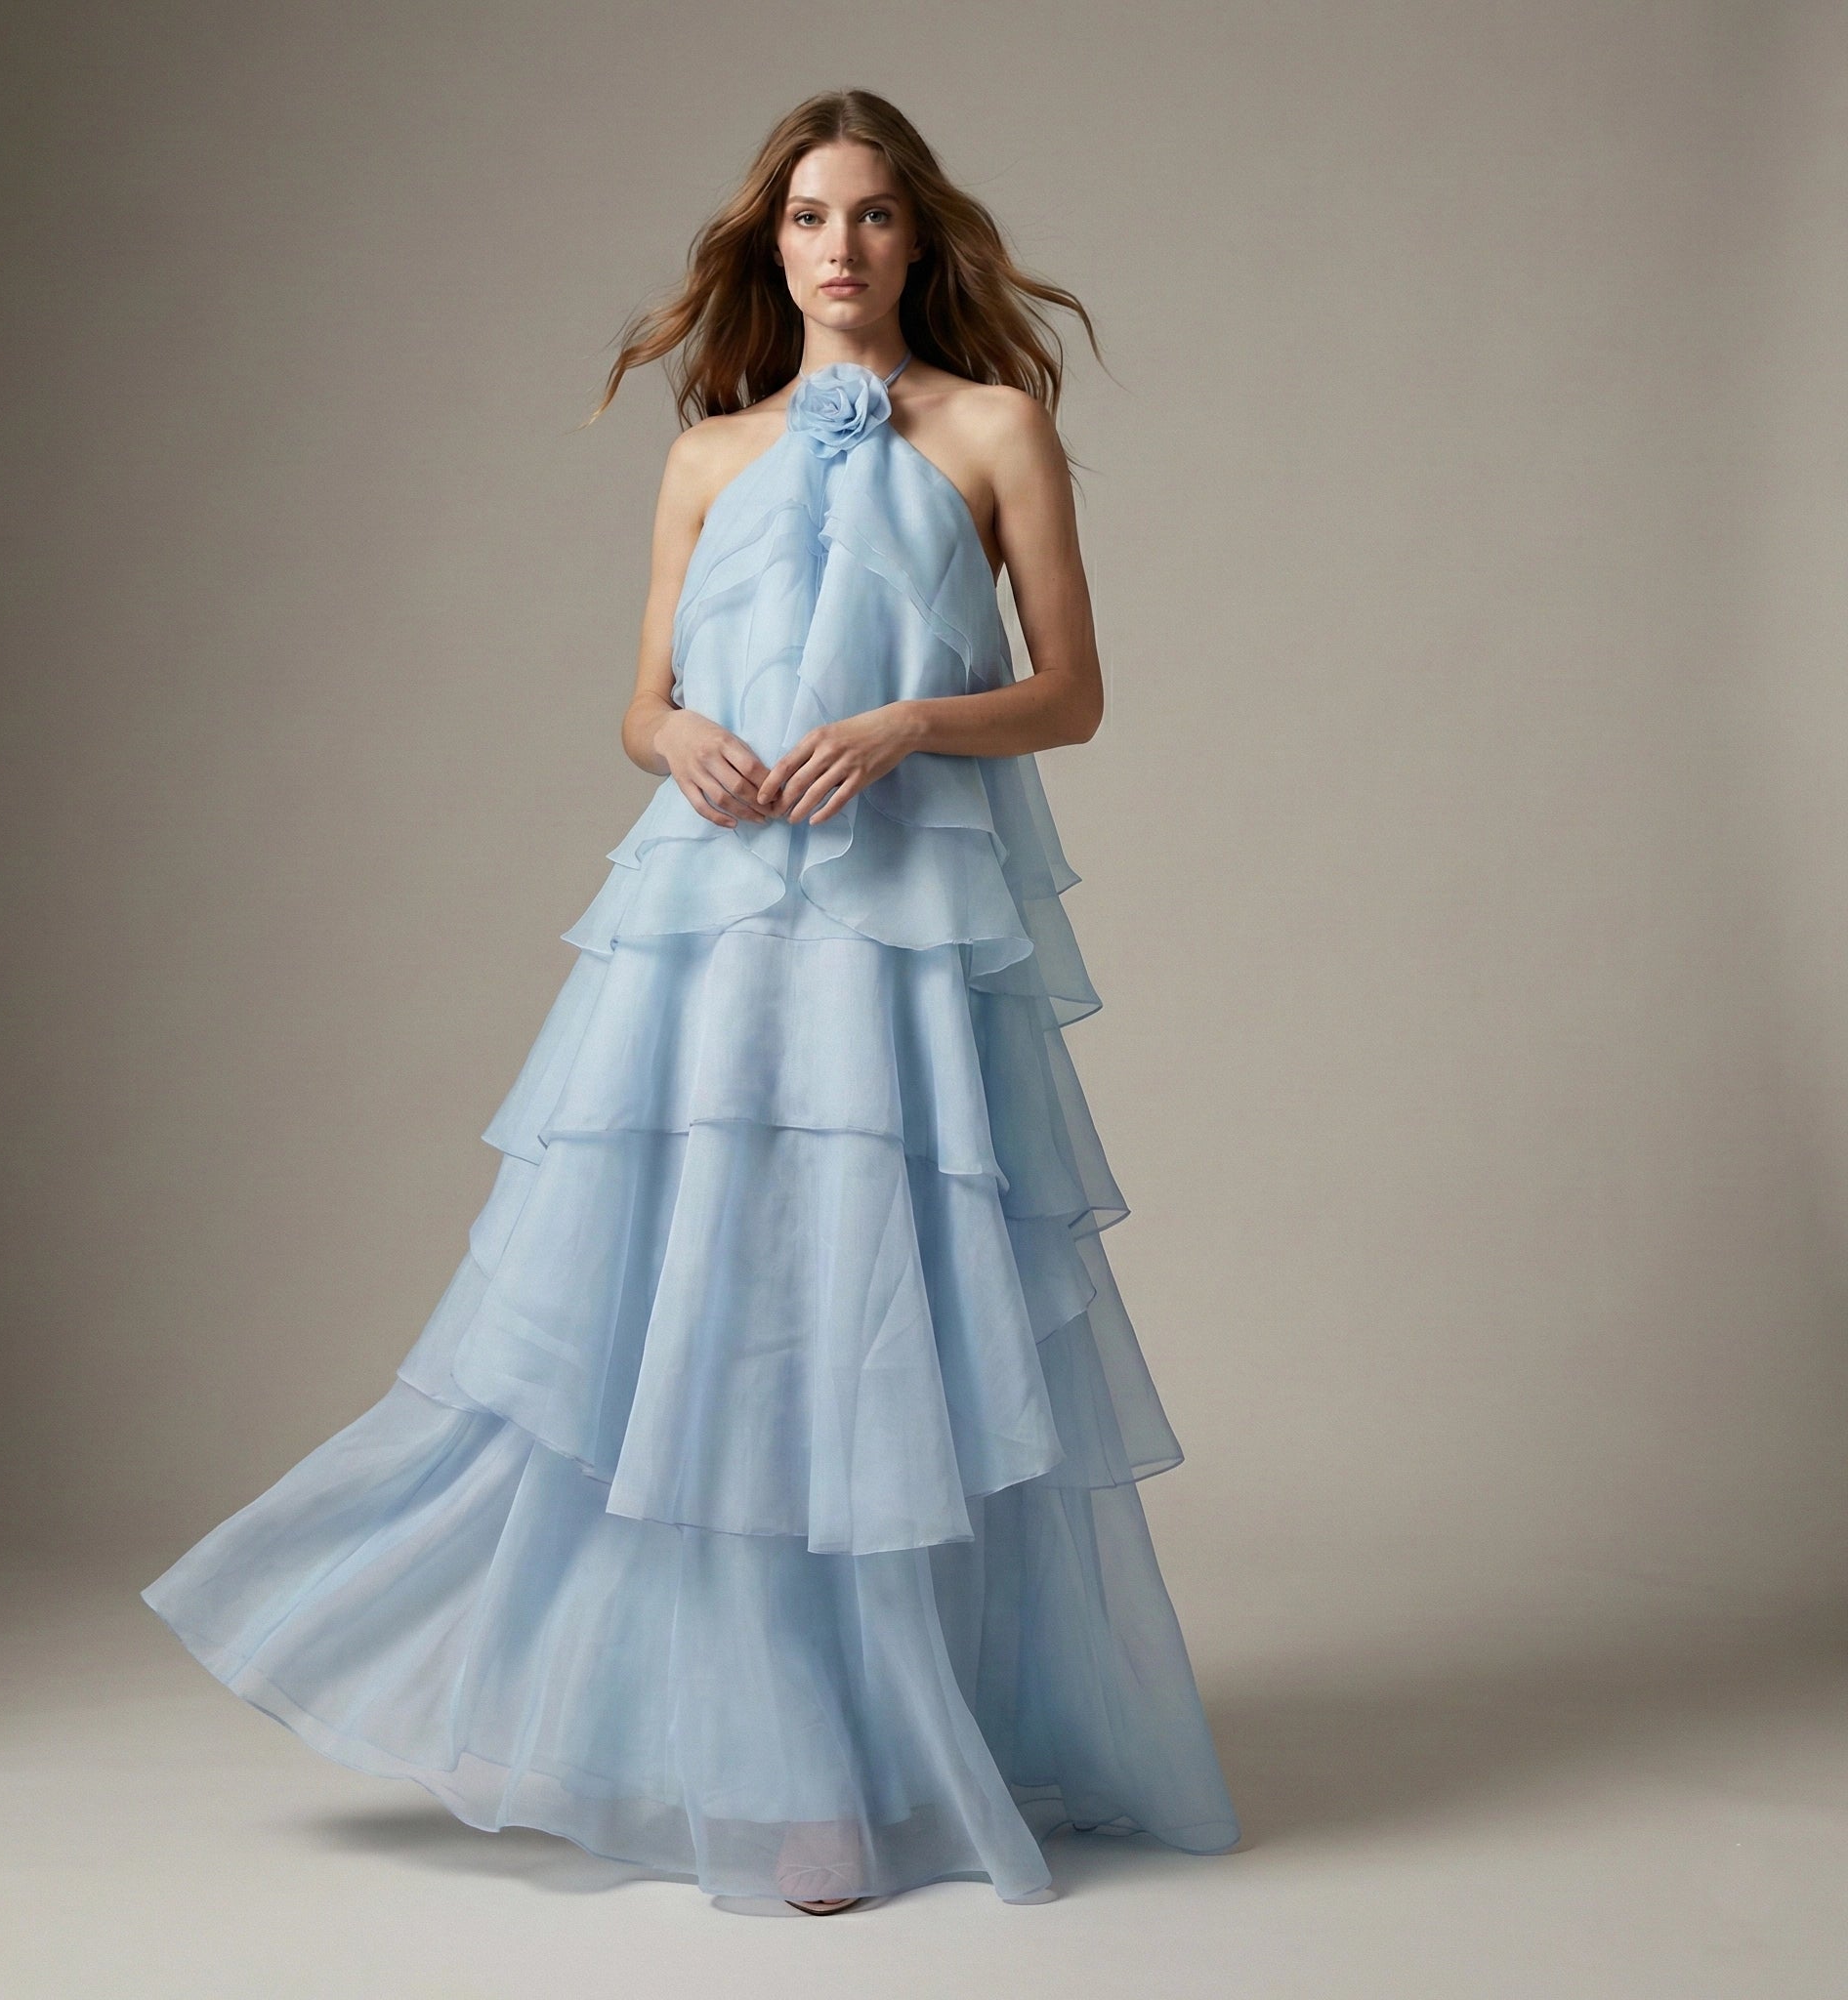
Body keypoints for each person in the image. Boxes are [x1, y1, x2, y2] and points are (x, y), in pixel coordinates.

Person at [141, 88, 1241, 1916]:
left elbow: (1073, 693)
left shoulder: (993, 428)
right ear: (769, 245)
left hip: (897, 948)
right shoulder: (706, 457)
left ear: (919, 239)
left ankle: (891, 1729)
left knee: (885, 1319)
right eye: (810, 217)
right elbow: (642, 706)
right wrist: (690, 744)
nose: (841, 248)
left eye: (875, 217)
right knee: (715, 1308)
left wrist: (906, 724)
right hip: (714, 937)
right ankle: (773, 1752)